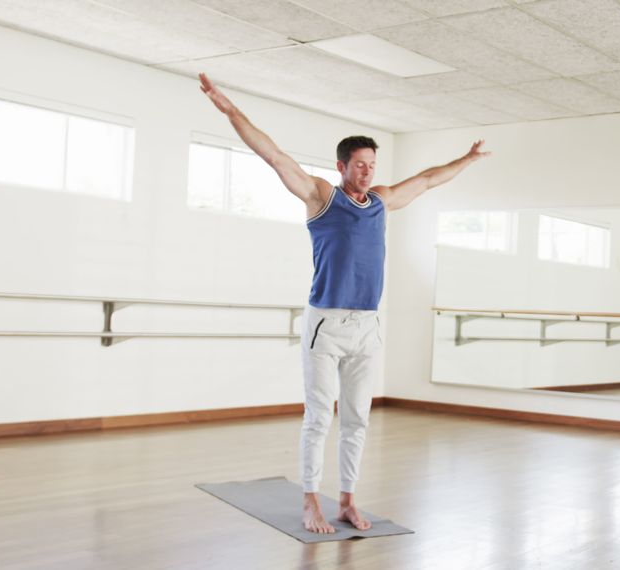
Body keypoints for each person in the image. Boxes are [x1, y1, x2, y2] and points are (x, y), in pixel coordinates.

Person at [198, 73, 490, 534]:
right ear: (341, 166)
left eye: (372, 164)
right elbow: (272, 154)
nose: (368, 171)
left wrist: (469, 159)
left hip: (367, 326)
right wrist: (229, 109)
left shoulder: (382, 201)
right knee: (320, 416)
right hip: (326, 323)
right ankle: (311, 500)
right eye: (359, 164)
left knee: (357, 419)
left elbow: (430, 179)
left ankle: (349, 501)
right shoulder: (320, 197)